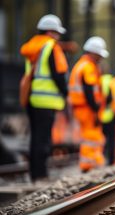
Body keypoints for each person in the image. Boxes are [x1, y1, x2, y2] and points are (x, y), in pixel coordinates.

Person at [20, 14, 68, 182]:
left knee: (35, 138)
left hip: (31, 98)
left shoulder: (32, 47)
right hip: (47, 101)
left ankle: (35, 173)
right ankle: (41, 175)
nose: (58, 36)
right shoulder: (51, 47)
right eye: (56, 33)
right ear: (50, 32)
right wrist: (65, 92)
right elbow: (58, 74)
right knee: (44, 138)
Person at [69, 36, 109, 172]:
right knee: (91, 137)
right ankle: (88, 164)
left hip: (81, 107)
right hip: (87, 108)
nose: (100, 58)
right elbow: (89, 89)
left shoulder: (80, 65)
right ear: (93, 52)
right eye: (99, 55)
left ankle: (93, 162)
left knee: (91, 136)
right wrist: (95, 108)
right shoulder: (89, 67)